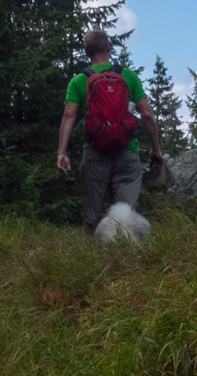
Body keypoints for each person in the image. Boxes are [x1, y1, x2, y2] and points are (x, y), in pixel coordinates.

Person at [57, 29, 164, 235]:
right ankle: (126, 264)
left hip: (94, 154)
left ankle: (93, 263)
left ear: (87, 53)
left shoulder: (79, 81)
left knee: (92, 219)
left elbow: (69, 116)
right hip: (127, 153)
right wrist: (155, 149)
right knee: (125, 217)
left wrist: (62, 153)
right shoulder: (129, 76)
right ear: (108, 48)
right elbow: (147, 115)